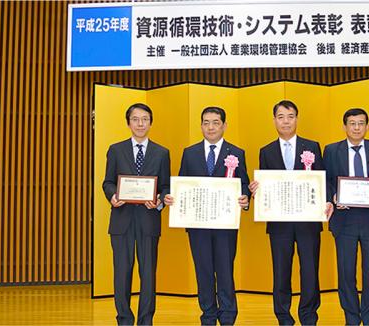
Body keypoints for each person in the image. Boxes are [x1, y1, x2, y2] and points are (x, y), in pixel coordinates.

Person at [249, 100, 333, 326]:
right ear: (274, 120)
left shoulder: (312, 147)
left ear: (297, 118)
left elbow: (322, 181)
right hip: (279, 225)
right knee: (281, 272)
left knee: (310, 272)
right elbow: (264, 187)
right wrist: (257, 190)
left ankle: (308, 316)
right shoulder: (266, 151)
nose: (285, 121)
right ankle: (283, 317)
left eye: (290, 116)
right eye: (281, 117)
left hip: (308, 223)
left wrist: (326, 201)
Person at [164, 106, 250, 325]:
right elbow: (182, 183)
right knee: (203, 271)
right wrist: (174, 199)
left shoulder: (236, 152)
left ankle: (228, 316)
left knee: (225, 271)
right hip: (197, 225)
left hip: (225, 226)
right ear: (201, 125)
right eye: (206, 122)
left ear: (224, 125)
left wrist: (246, 197)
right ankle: (208, 316)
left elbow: (244, 184)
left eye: (215, 122)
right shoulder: (189, 152)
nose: (210, 127)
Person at [323, 108, 369, 325]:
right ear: (344, 126)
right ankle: (352, 319)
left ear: (367, 126)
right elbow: (326, 181)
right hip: (345, 220)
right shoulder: (332, 150)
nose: (356, 127)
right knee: (346, 275)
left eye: (360, 123)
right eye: (352, 123)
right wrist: (333, 196)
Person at [102, 103, 171, 325]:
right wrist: (113, 196)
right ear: (128, 123)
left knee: (148, 274)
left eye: (145, 119)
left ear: (151, 122)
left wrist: (160, 200)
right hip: (121, 220)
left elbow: (166, 186)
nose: (140, 124)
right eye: (135, 119)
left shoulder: (162, 153)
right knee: (122, 273)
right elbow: (108, 182)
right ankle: (123, 318)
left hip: (149, 220)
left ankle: (146, 320)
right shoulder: (115, 149)